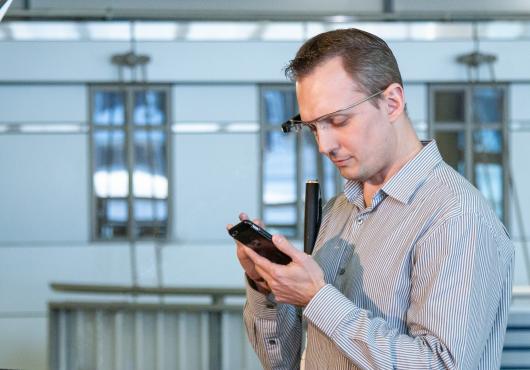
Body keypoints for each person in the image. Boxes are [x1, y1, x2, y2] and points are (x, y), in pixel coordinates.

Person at [229, 28, 514, 369]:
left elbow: (440, 365)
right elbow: (285, 360)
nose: (324, 145)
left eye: (338, 121)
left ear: (392, 102)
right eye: (313, 127)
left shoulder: (455, 216)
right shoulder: (338, 212)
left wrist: (319, 299)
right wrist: (268, 285)